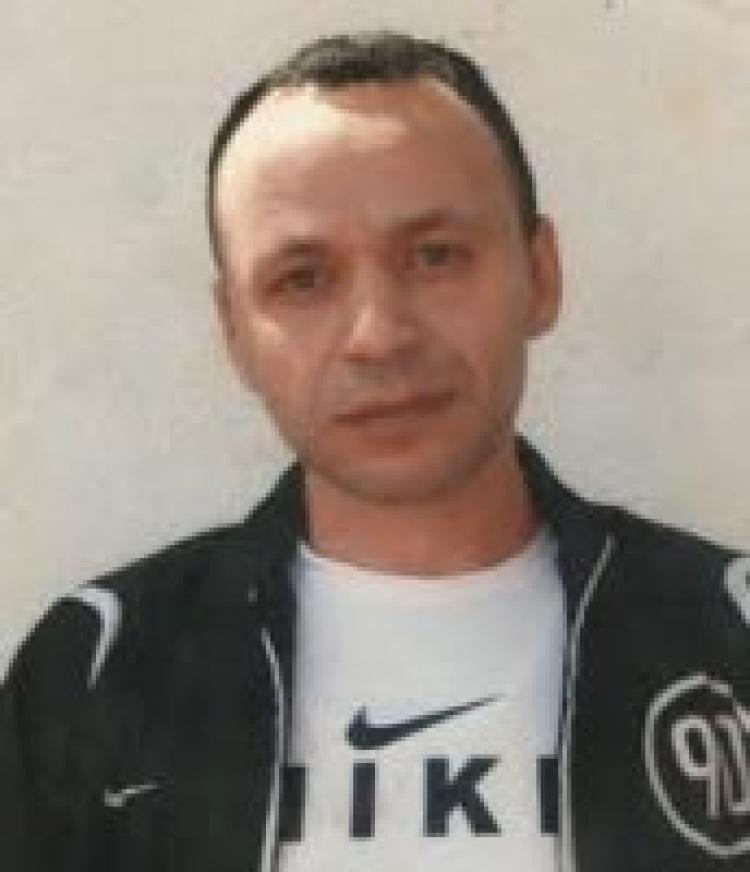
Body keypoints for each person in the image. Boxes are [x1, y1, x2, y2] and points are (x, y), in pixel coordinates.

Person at [2, 30, 749, 872]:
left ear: (540, 275)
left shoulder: (730, 633)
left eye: (435, 257)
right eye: (303, 280)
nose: (380, 335)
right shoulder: (98, 668)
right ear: (234, 332)